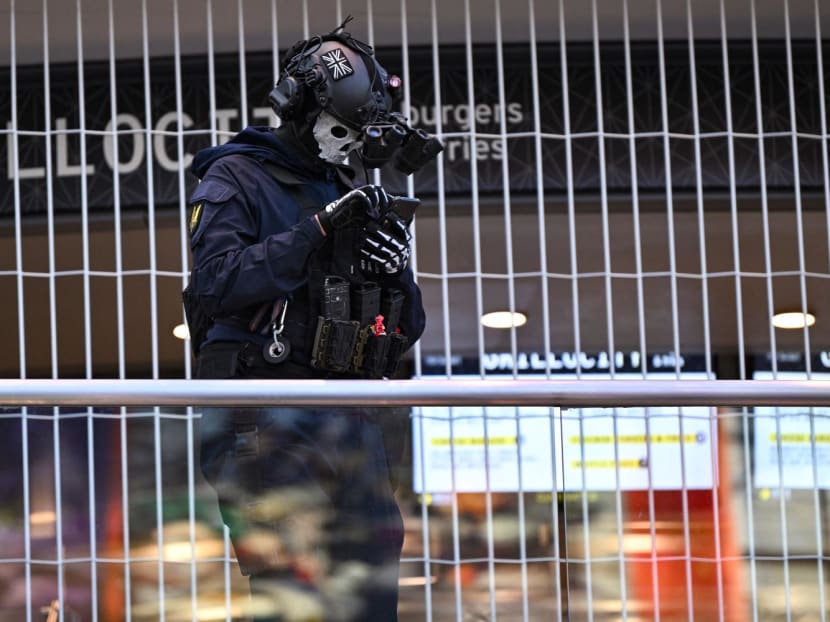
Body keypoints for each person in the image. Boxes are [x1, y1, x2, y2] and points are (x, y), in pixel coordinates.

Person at [184, 18, 441, 622]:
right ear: (299, 106)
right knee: (293, 594)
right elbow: (217, 283)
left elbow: (405, 331)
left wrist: (397, 271)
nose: (347, 147)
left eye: (356, 137)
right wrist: (318, 231)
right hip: (266, 418)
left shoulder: (348, 188)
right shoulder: (236, 176)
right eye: (339, 131)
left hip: (348, 419)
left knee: (373, 581)